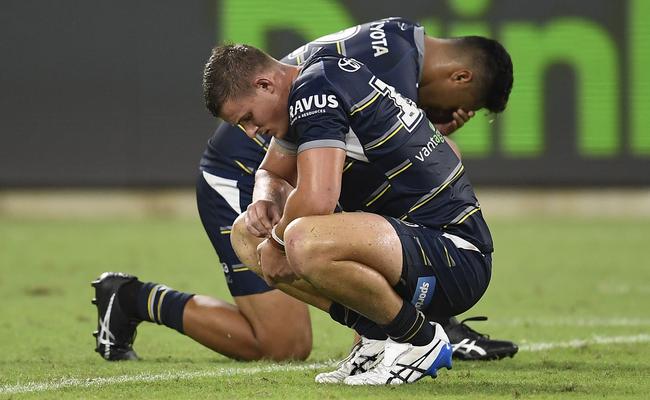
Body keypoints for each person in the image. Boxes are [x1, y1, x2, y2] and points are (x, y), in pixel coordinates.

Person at [91, 17, 515, 365]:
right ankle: (133, 299)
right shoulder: (382, 69)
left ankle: (403, 333)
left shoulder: (397, 39)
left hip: (291, 170)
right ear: (461, 77)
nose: (457, 114)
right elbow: (367, 186)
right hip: (239, 171)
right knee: (282, 345)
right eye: (467, 105)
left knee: (324, 244)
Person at [205, 25, 513, 384]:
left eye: (246, 119)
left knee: (302, 238)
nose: (250, 132)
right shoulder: (309, 86)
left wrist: (276, 241)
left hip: (456, 254)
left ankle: (419, 340)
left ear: (265, 85)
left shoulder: (315, 89)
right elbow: (269, 173)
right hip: (412, 245)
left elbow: (319, 198)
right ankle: (376, 336)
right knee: (245, 232)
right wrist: (263, 201)